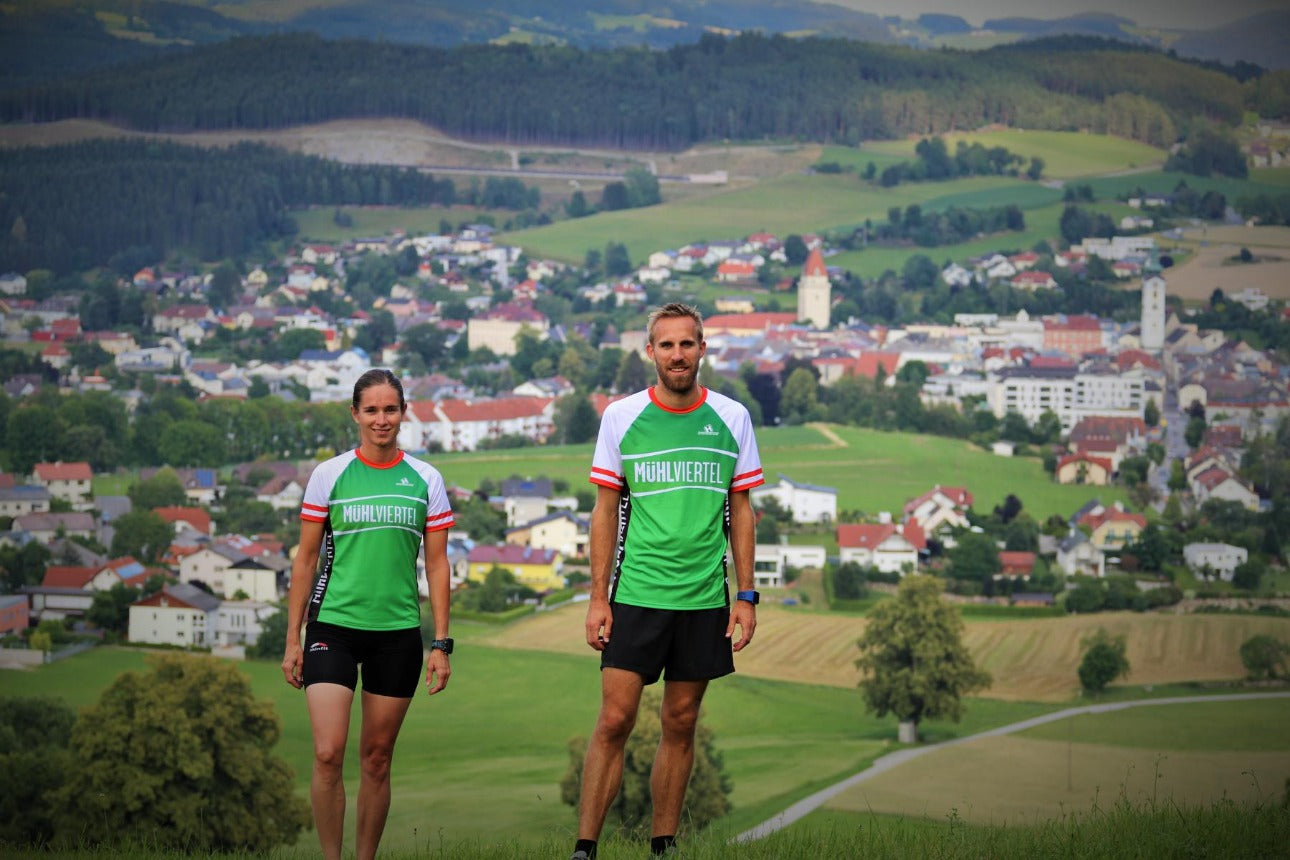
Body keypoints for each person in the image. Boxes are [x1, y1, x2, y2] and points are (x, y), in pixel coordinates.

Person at [571, 303, 764, 860]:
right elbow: (604, 510)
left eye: (687, 344)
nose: (677, 354)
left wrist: (746, 596)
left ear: (702, 349)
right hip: (635, 595)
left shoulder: (732, 418)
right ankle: (585, 848)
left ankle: (663, 845)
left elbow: (742, 510)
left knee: (681, 723)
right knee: (614, 720)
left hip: (704, 598)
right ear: (649, 352)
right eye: (666, 345)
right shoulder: (621, 416)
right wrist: (597, 598)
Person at [282, 368, 455, 860]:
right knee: (327, 752)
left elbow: (438, 564)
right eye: (372, 410)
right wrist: (293, 639)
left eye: (391, 409)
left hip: (397, 634)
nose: (382, 419)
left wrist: (440, 643)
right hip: (331, 628)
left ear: (404, 412)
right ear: (355, 414)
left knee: (377, 761)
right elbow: (306, 560)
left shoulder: (425, 479)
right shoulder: (328, 475)